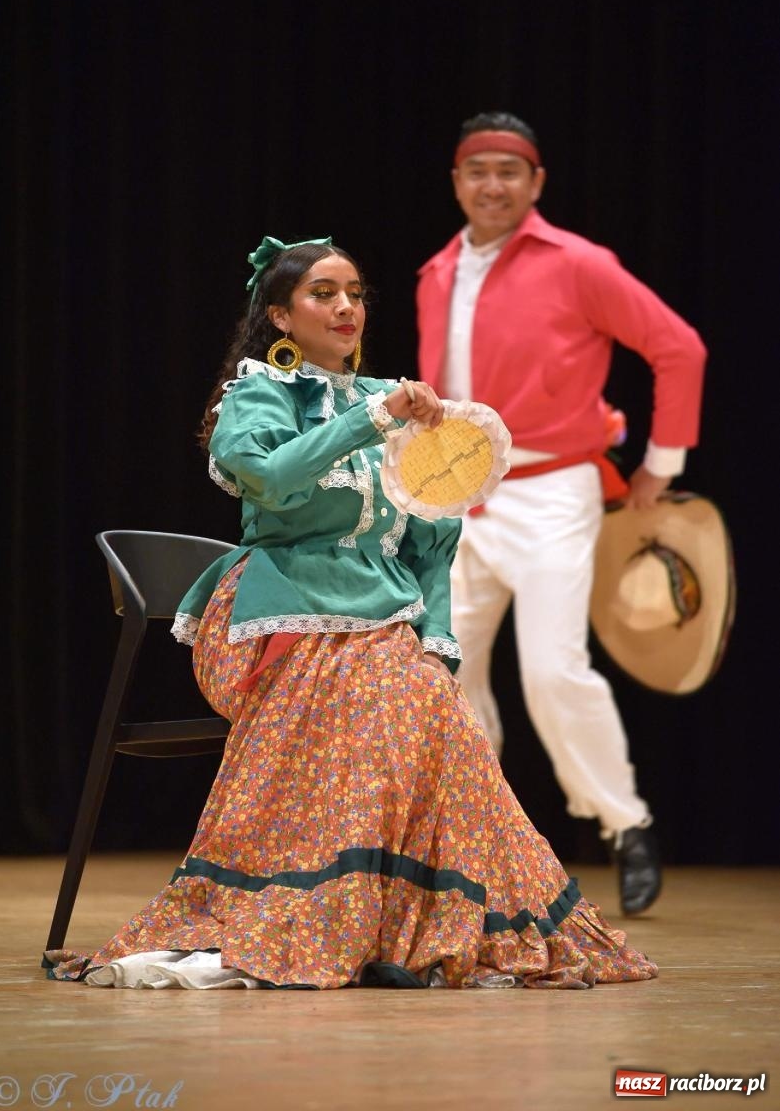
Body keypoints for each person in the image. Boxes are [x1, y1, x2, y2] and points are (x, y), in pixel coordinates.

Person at [44, 236, 657, 990]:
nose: (345, 308)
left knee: (433, 704)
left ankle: (403, 927)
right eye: (323, 294)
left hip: (378, 617)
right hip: (277, 608)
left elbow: (433, 538)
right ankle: (334, 915)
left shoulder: (392, 403)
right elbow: (269, 483)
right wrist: (371, 420)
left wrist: (435, 634)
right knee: (390, 694)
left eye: (355, 293)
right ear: (279, 314)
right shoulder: (262, 394)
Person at [416, 113, 707, 916]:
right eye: (477, 170)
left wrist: (660, 464)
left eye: (510, 170)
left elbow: (678, 347)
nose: (493, 184)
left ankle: (626, 821)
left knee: (550, 668)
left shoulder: (576, 263)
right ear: (456, 182)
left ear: (536, 182)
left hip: (549, 489)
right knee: (444, 671)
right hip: (457, 497)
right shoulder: (435, 272)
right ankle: (474, 839)